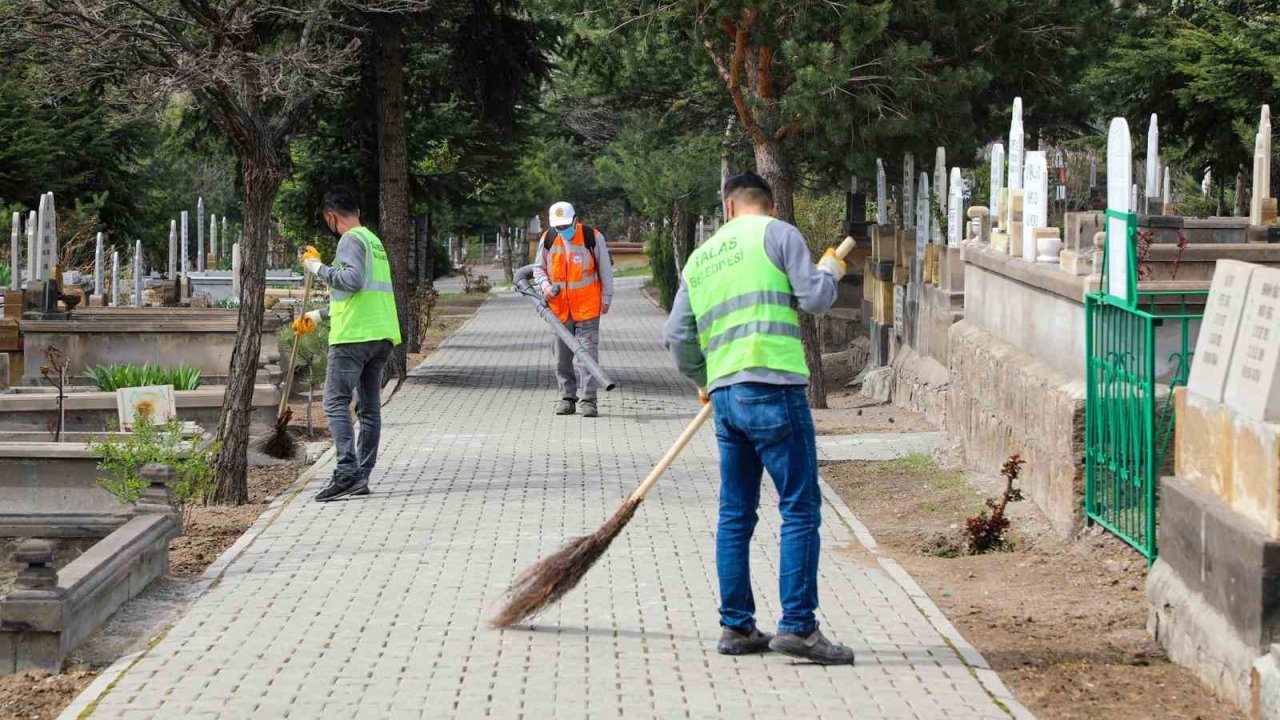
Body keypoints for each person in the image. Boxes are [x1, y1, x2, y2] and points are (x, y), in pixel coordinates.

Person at [662, 172, 854, 664]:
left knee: (735, 514)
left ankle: (736, 627)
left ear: (728, 208)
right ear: (767, 206)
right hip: (775, 389)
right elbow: (813, 299)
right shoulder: (779, 234)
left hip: (726, 397)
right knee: (800, 508)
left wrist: (706, 379)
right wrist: (830, 270)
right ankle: (799, 627)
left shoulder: (701, 258)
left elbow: (677, 336)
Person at [293, 187, 402, 502]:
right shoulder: (373, 241)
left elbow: (351, 281)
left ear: (331, 216)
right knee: (368, 409)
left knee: (335, 402)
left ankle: (346, 471)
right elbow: (359, 294)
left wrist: (315, 267)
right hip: (379, 335)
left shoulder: (350, 240)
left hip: (353, 338)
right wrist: (316, 314)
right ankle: (361, 476)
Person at [532, 201, 614, 418]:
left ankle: (589, 400)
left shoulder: (592, 237)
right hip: (559, 310)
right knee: (562, 357)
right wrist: (545, 287)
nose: (562, 231)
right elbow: (538, 269)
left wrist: (606, 298)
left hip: (587, 308)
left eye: (565, 226)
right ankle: (567, 397)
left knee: (587, 355)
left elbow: (605, 270)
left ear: (576, 220)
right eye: (558, 227)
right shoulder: (548, 239)